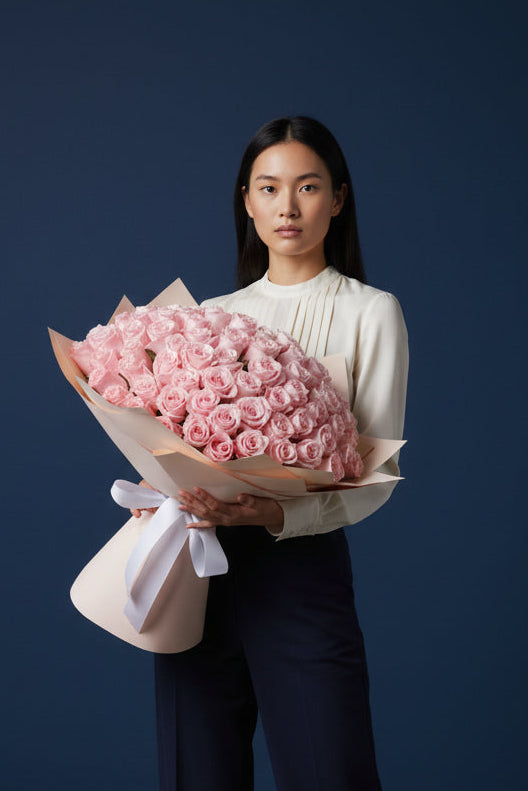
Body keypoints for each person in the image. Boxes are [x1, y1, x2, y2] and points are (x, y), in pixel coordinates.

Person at [144, 116, 409, 791]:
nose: (287, 207)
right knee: (196, 774)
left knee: (329, 773)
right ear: (247, 201)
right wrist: (165, 489)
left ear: (338, 199)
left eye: (308, 187)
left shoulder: (371, 312)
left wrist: (275, 513)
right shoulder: (209, 314)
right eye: (268, 188)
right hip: (199, 567)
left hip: (300, 577)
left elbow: (377, 477)